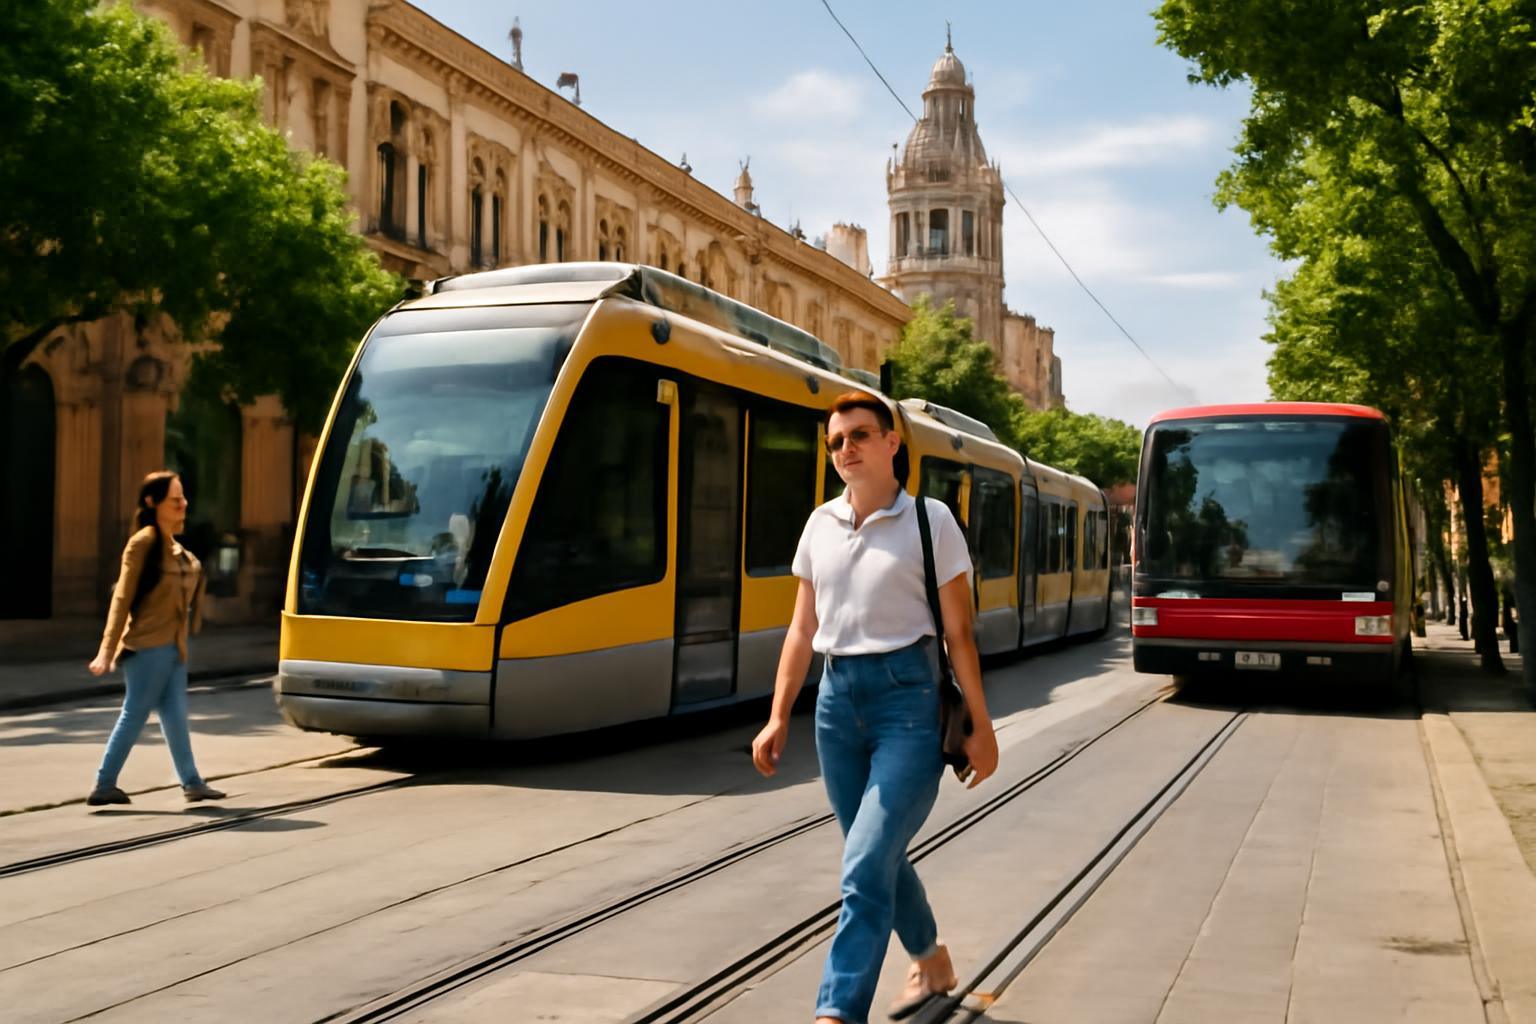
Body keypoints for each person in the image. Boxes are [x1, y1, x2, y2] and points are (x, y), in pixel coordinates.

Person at [751, 392, 999, 1024]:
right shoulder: (819, 526)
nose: (847, 449)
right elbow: (802, 630)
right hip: (836, 707)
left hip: (908, 705)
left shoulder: (931, 521)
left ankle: (836, 1012)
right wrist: (780, 714)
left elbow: (959, 635)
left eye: (860, 435)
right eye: (836, 441)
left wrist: (982, 726)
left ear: (894, 444)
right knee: (876, 852)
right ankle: (932, 958)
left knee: (864, 861)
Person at [86, 470, 225, 806]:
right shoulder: (144, 542)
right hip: (148, 647)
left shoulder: (174, 548)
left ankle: (191, 781)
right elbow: (122, 597)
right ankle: (104, 784)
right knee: (135, 712)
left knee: (175, 715)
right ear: (153, 502)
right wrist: (106, 650)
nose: (183, 504)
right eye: (175, 499)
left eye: (183, 498)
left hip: (174, 648)